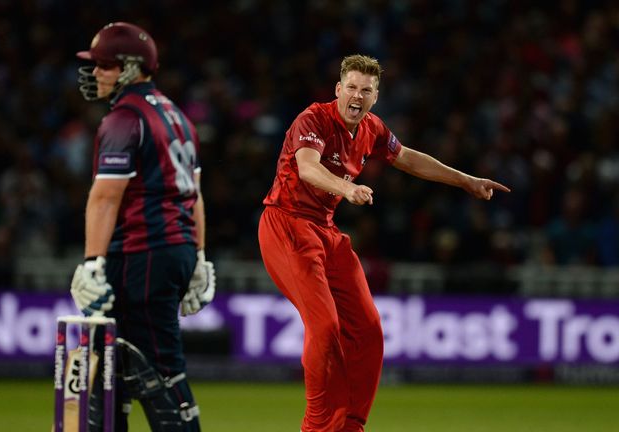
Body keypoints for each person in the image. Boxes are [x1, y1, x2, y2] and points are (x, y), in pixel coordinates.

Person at [258, 54, 510, 432]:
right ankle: (315, 427)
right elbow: (308, 167)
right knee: (325, 327)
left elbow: (407, 158)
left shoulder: (371, 128)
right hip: (286, 225)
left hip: (325, 231)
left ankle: (351, 426)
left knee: (369, 330)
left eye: (367, 90)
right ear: (338, 90)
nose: (358, 96)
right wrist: (348, 187)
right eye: (352, 88)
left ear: (376, 96)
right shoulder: (312, 119)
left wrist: (466, 180)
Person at [68, 22, 215, 432]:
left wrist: (92, 263)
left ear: (131, 67)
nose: (95, 73)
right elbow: (195, 195)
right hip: (174, 248)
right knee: (108, 369)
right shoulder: (177, 116)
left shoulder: (124, 118)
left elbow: (106, 197)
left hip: (142, 253)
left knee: (157, 370)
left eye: (104, 65)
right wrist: (199, 257)